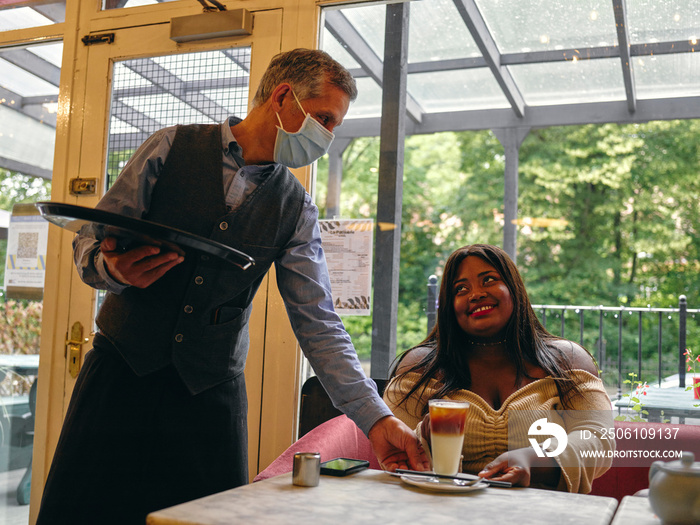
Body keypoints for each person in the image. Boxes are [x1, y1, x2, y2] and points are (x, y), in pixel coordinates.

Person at [37, 48, 427, 525]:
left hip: (209, 400)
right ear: (283, 97)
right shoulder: (169, 147)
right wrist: (113, 270)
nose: (327, 135)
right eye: (324, 118)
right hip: (119, 379)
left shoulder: (296, 207)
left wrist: (377, 418)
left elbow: (319, 323)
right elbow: (89, 243)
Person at [383, 244, 613, 493]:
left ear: (514, 289)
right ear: (449, 306)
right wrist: (426, 441)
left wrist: (534, 460)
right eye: (461, 289)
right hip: (443, 510)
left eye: (489, 280)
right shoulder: (420, 367)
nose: (476, 294)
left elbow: (598, 440)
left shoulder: (567, 360)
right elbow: (395, 452)